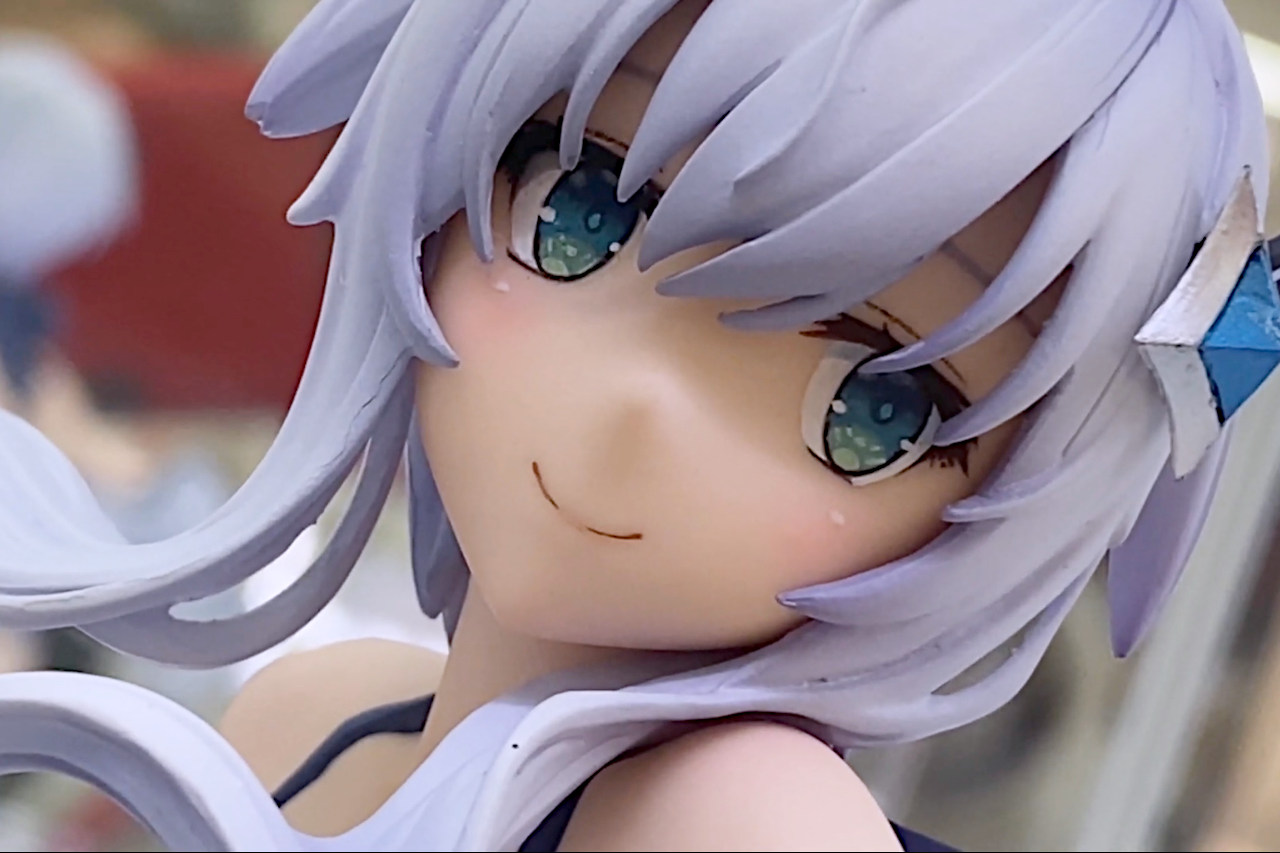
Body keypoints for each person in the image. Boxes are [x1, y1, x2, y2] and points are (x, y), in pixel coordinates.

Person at [0, 0, 1272, 850]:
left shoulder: (745, 821)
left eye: (871, 406)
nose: (633, 412)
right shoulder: (312, 713)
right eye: (579, 214)